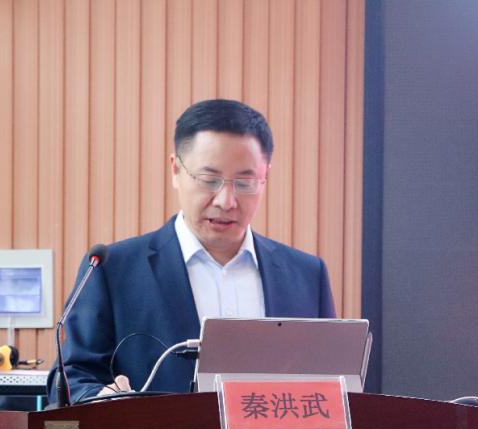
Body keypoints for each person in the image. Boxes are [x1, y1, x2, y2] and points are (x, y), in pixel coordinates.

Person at [51, 99, 336, 402]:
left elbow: (334, 384)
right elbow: (72, 377)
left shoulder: (307, 275)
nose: (226, 201)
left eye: (245, 183)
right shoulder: (113, 270)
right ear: (176, 170)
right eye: (209, 180)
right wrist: (103, 400)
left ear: (266, 176)